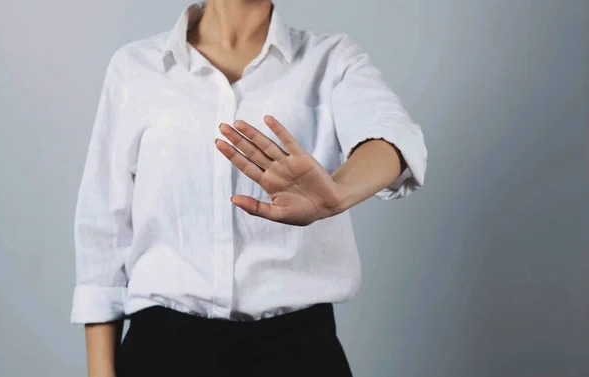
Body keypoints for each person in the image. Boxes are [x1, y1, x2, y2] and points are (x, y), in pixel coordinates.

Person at [70, 1, 428, 376]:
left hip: (298, 353)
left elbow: (393, 136)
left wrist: (337, 192)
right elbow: (103, 232)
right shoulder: (135, 68)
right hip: (162, 350)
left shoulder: (331, 60)